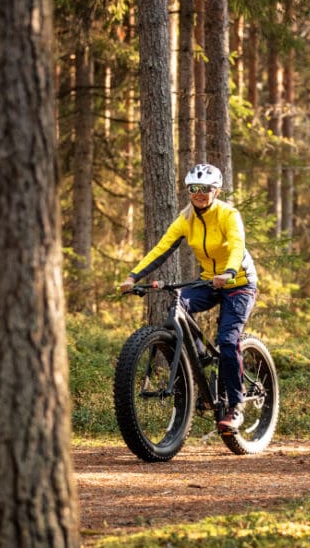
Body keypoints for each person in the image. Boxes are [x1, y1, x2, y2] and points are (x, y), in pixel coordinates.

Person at [119, 163, 258, 433]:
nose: (199, 194)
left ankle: (236, 406)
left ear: (216, 190)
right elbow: (161, 248)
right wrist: (133, 276)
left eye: (205, 189)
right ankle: (201, 357)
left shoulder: (229, 214)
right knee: (178, 303)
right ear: (188, 190)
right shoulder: (186, 219)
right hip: (210, 281)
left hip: (239, 283)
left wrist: (229, 272)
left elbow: (237, 245)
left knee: (228, 340)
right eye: (194, 188)